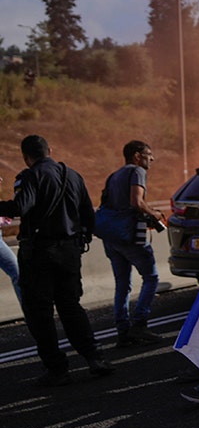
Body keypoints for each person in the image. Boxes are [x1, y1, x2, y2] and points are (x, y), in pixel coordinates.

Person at [0, 135, 114, 386]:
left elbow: (20, 207)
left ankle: (57, 368)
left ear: (26, 157)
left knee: (39, 312)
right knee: (70, 306)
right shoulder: (73, 175)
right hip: (69, 252)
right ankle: (95, 357)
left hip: (39, 254)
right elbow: (88, 214)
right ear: (49, 150)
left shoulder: (29, 176)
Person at [101, 140, 166, 347]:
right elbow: (136, 202)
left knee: (123, 283)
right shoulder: (137, 172)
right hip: (129, 236)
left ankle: (123, 331)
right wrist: (154, 214)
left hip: (111, 237)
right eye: (148, 154)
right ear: (137, 156)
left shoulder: (114, 176)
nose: (152, 158)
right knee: (151, 277)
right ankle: (140, 325)